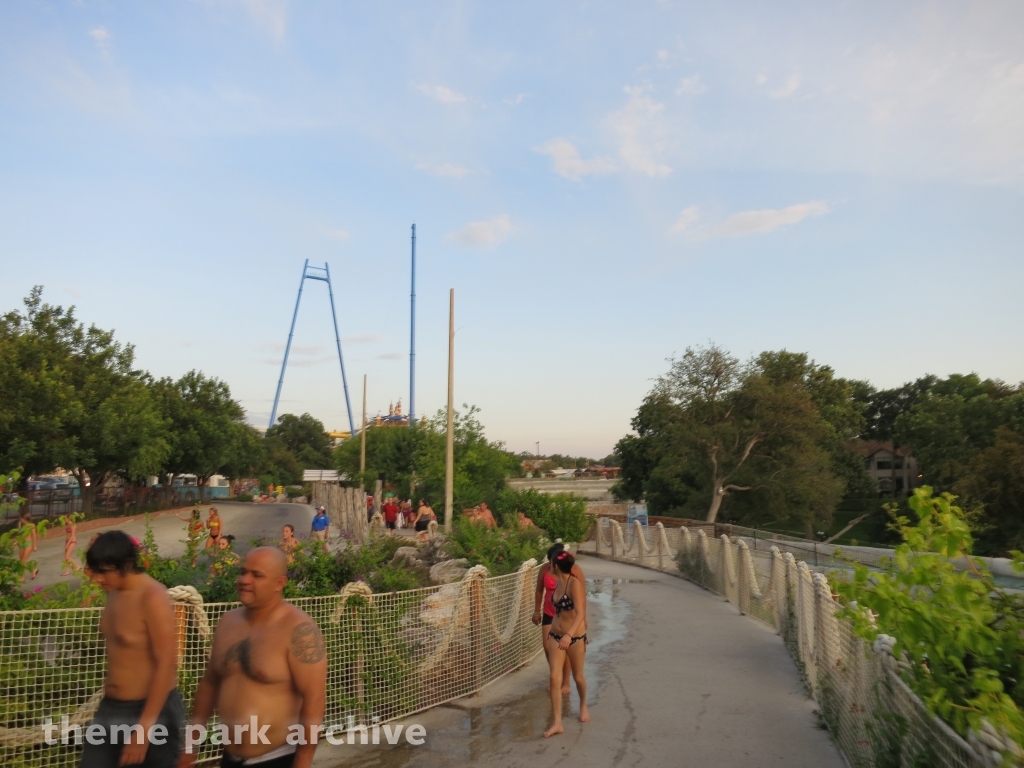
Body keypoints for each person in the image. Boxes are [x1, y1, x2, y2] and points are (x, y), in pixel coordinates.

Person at [182, 547, 327, 768]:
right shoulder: (228, 622)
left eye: (257, 575)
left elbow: (314, 699)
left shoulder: (299, 630)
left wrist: (303, 762)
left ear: (279, 583)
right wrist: (190, 747)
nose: (244, 580)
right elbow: (210, 685)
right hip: (229, 758)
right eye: (243, 572)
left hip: (277, 758)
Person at [82, 531, 183, 767]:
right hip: (111, 708)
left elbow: (166, 663)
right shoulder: (114, 592)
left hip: (152, 710)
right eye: (94, 571)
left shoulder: (152, 597)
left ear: (126, 565)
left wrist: (144, 730)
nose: (97, 579)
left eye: (103, 571)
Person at [544, 551, 589, 738]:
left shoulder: (574, 584)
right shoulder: (558, 583)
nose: (549, 567)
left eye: (551, 564)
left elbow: (580, 613)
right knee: (554, 678)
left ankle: (583, 704)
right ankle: (557, 722)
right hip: (556, 635)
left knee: (578, 677)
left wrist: (569, 635)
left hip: (574, 637)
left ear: (556, 566)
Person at [533, 544, 586, 694]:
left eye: (552, 563)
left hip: (569, 617)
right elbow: (538, 590)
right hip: (550, 613)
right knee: (548, 646)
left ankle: (565, 681)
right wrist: (536, 611)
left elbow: (582, 597)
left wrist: (584, 618)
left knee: (566, 646)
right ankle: (555, 676)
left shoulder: (574, 572)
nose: (551, 566)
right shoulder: (544, 569)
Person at [18, 508, 38, 581]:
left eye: (21, 518)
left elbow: (34, 536)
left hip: (28, 544)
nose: (20, 520)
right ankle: (33, 570)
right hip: (22, 544)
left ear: (24, 518)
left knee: (23, 561)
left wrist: (35, 546)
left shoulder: (31, 525)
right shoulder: (22, 526)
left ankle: (22, 577)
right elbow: (21, 536)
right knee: (21, 561)